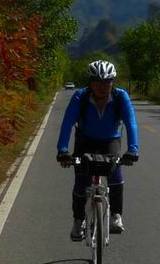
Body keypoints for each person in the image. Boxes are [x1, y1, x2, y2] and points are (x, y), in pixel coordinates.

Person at [56, 60, 139, 240]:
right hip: (85, 141)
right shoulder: (80, 97)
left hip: (110, 140)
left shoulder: (120, 97)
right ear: (90, 82)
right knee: (81, 180)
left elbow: (131, 123)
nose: (103, 86)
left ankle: (116, 216)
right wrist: (62, 150)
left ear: (113, 82)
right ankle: (78, 220)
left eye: (107, 82)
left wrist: (133, 149)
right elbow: (67, 124)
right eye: (98, 82)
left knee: (115, 174)